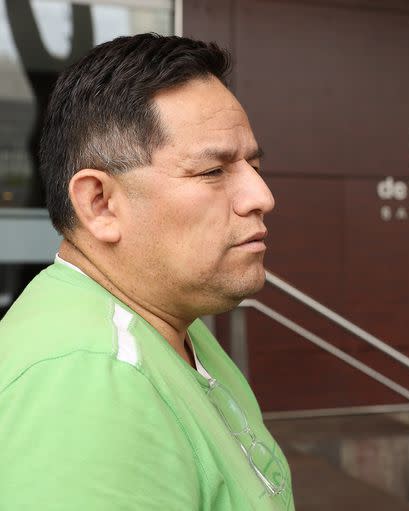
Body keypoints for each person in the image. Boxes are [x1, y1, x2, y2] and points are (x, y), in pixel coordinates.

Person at [0, 34, 294, 510]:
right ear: (100, 203)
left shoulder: (169, 325)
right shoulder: (89, 380)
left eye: (253, 165)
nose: (261, 196)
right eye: (213, 171)